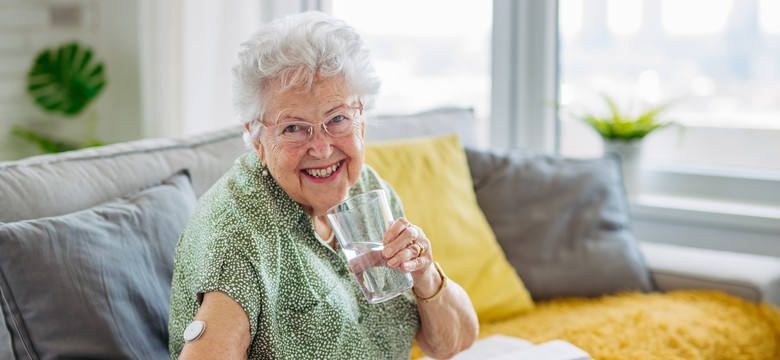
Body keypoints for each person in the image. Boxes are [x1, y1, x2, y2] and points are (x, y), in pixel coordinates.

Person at [168, 10, 478, 359]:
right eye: (293, 127)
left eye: (337, 118)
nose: (322, 147)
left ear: (361, 121)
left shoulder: (365, 189)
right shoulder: (237, 234)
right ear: (257, 140)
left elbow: (452, 343)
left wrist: (424, 273)